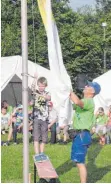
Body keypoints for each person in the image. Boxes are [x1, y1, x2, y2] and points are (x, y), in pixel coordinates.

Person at [70, 81, 101, 183]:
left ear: (92, 91)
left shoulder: (89, 101)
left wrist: (69, 91)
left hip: (82, 135)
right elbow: (75, 103)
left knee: (80, 162)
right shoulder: (85, 100)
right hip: (80, 135)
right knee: (79, 161)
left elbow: (77, 102)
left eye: (88, 86)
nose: (85, 86)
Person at [31, 74, 51, 162]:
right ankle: (37, 154)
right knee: (36, 137)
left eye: (42, 86)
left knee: (44, 137)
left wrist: (39, 95)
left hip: (45, 118)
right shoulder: (35, 91)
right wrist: (35, 79)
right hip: (36, 117)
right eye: (39, 86)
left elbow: (48, 98)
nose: (40, 87)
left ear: (45, 86)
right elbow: (32, 87)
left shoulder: (47, 93)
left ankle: (42, 153)